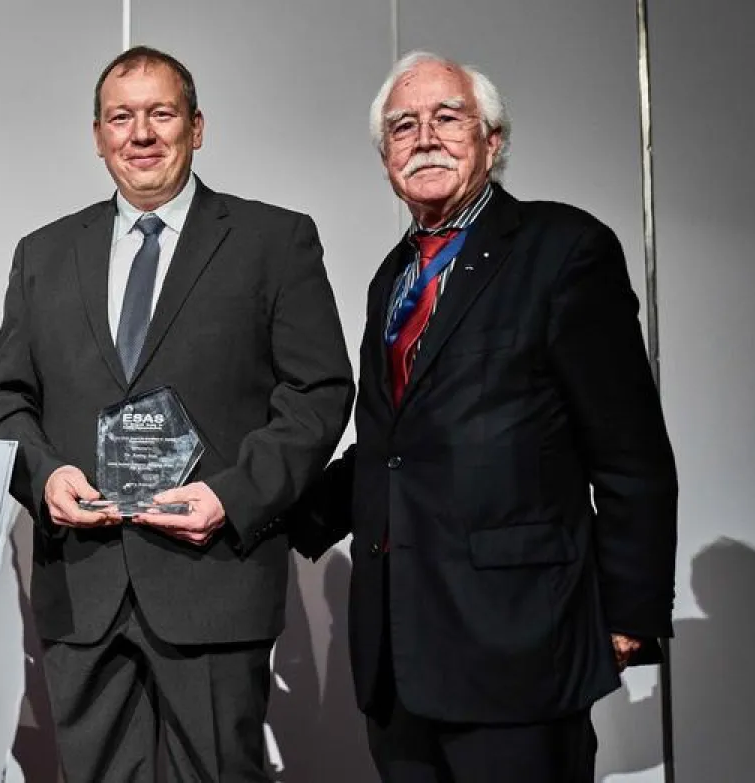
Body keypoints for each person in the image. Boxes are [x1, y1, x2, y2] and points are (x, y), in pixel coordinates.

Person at [0, 46, 354, 781]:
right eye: (121, 116)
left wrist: (232, 497)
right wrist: (44, 478)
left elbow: (319, 392)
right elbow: (2, 398)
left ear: (197, 127)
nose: (140, 133)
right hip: (84, 590)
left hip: (213, 584)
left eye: (161, 113)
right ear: (98, 134)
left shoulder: (274, 241)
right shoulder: (42, 253)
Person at [290, 51, 679, 782]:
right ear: (385, 160)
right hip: (399, 659)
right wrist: (264, 509)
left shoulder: (564, 249)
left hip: (518, 645)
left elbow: (630, 452)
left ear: (492, 140)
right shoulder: (392, 278)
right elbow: (388, 449)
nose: (424, 137)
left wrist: (632, 612)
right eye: (403, 126)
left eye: (447, 117)